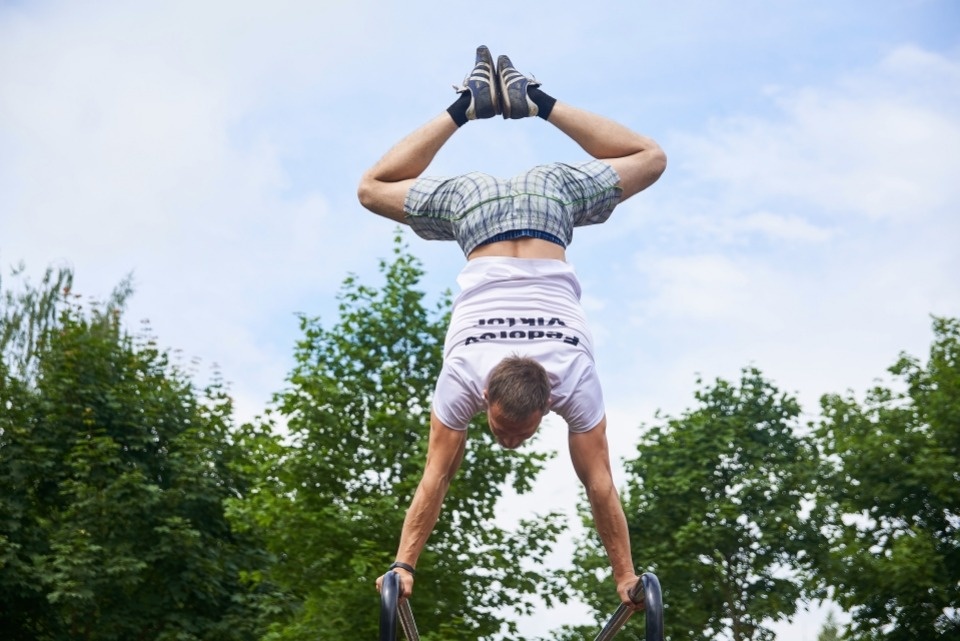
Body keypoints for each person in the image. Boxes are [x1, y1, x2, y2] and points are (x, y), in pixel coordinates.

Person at [357, 45, 666, 611]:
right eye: (507, 428)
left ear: (546, 401)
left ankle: (473, 105)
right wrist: (400, 565)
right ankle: (529, 101)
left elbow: (439, 478)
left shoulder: (563, 377)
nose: (508, 438)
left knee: (372, 188)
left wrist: (627, 575)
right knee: (650, 157)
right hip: (535, 202)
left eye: (511, 432)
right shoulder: (512, 379)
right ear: (488, 394)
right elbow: (595, 481)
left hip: (490, 206)